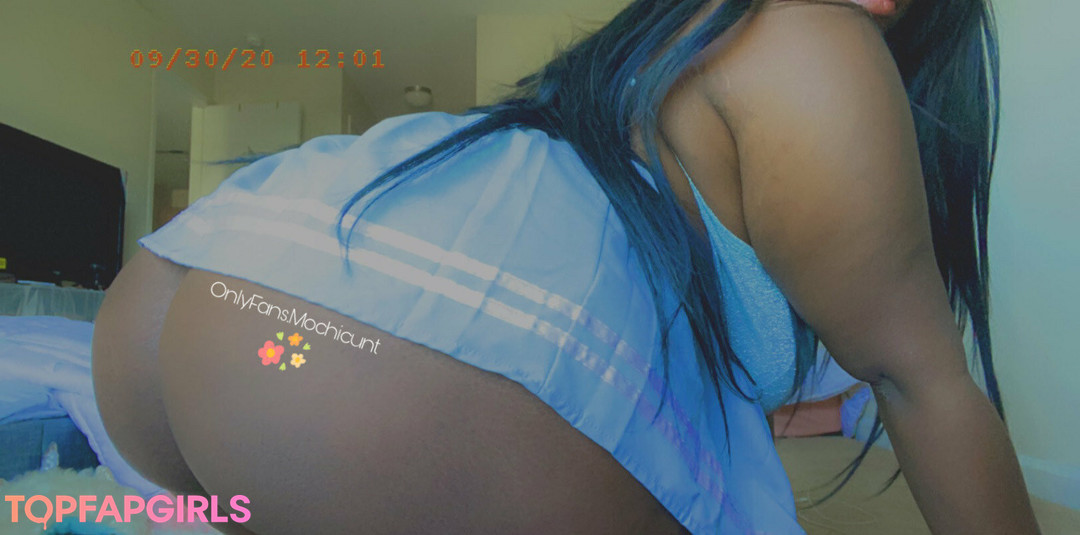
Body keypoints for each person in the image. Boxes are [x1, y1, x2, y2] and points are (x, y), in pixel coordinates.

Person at [91, 0, 1042, 533]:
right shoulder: (815, 35)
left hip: (197, 310)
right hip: (353, 360)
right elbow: (919, 380)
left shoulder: (641, 76)